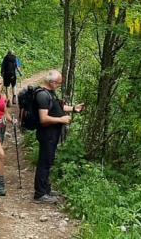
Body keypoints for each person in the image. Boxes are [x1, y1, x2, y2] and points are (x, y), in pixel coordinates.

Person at [34, 69, 84, 204]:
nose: (59, 85)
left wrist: (74, 109)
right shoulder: (42, 96)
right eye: (58, 83)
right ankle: (40, 194)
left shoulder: (50, 93)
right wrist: (62, 120)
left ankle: (46, 189)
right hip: (46, 134)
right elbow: (43, 119)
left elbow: (58, 107)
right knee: (44, 162)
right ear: (51, 82)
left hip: (52, 134)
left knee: (49, 161)